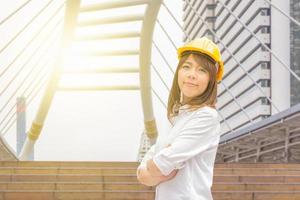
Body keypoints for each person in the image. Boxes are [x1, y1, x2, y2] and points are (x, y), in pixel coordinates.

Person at [136, 37, 224, 200]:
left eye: (202, 70)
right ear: (178, 72)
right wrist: (156, 164)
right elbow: (143, 174)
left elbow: (158, 166)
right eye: (186, 67)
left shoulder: (206, 117)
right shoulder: (175, 117)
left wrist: (156, 166)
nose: (192, 75)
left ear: (211, 80)